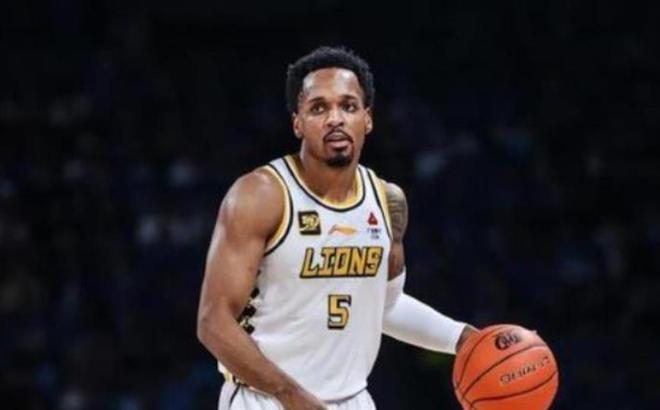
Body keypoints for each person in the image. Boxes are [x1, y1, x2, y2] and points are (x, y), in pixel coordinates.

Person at [197, 46, 477, 410]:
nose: (335, 119)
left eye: (348, 106)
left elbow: (385, 307)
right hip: (266, 399)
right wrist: (290, 395)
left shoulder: (388, 201)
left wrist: (462, 338)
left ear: (367, 119)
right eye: (318, 108)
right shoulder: (260, 195)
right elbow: (213, 322)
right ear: (297, 123)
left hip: (353, 399)